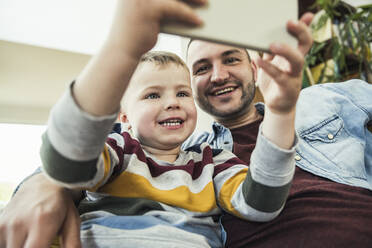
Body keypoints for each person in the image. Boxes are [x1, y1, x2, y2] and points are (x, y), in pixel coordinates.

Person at [0, 0, 303, 247]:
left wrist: (280, 109)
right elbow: (66, 164)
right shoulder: (119, 150)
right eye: (152, 95)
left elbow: (261, 203)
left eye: (182, 93)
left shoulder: (212, 161)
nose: (172, 102)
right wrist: (122, 47)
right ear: (124, 117)